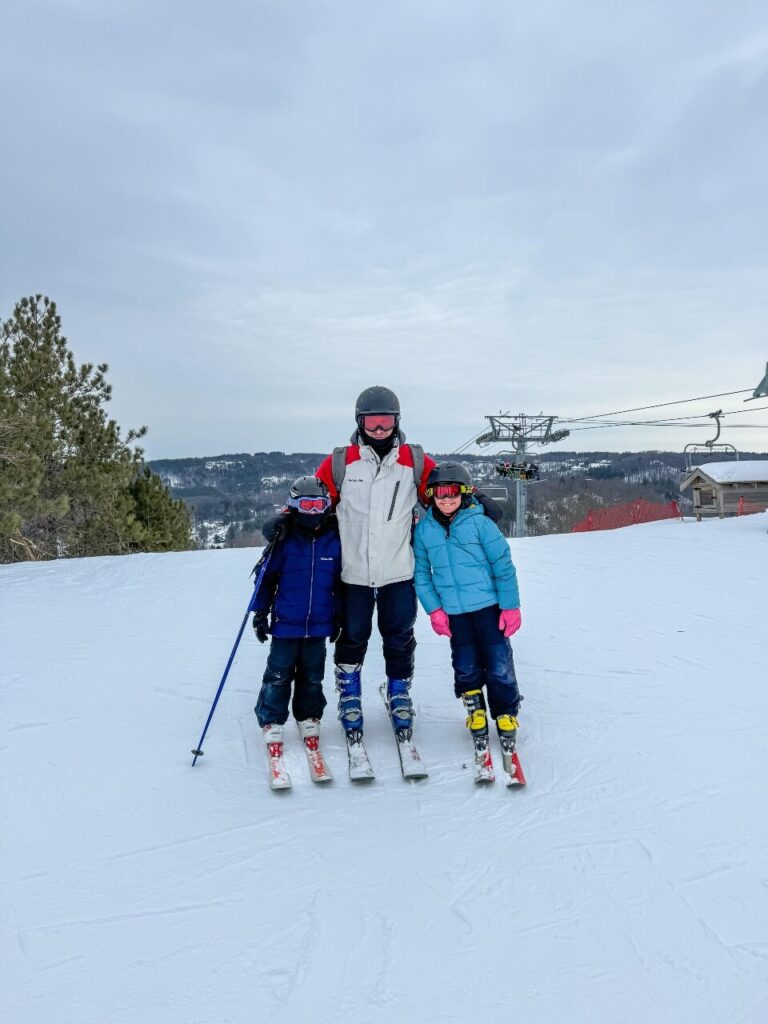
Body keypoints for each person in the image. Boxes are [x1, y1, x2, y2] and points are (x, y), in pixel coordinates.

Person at [314, 386, 435, 748]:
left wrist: (476, 502)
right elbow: (313, 502)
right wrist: (286, 521)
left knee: (399, 637)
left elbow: (445, 495)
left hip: (399, 570)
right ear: (359, 422)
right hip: (353, 573)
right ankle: (349, 693)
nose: (379, 430)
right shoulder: (340, 462)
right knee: (352, 637)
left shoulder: (414, 461)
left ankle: (399, 691)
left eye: (386, 422)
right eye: (372, 422)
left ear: (397, 422)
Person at [413, 461, 522, 774]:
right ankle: (474, 706)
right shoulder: (425, 531)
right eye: (439, 493)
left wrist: (510, 605)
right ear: (430, 495)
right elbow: (421, 573)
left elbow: (502, 564)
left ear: (464, 492)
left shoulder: (481, 523)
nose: (446, 499)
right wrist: (434, 609)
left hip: (488, 607)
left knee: (499, 662)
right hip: (454, 613)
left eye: (453, 492)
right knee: (465, 663)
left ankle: (504, 712)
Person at [252, 476, 342, 777]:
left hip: (319, 623)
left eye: (320, 505)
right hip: (286, 624)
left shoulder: (335, 538)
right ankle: (272, 719)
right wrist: (260, 613)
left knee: (312, 675)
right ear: (293, 505)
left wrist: (339, 615)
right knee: (278, 674)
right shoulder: (284, 539)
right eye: (307, 505)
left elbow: (342, 584)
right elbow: (265, 580)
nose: (313, 512)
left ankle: (309, 716)